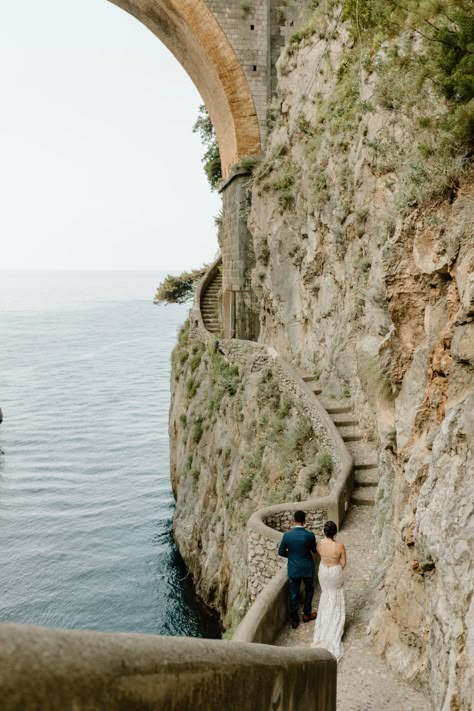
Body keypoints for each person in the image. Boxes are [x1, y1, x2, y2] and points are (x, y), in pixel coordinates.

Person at [311, 520, 346, 661]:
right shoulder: (340, 546)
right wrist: (336, 569)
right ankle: (335, 621)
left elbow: (318, 554)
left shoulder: (319, 544)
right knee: (336, 595)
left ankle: (324, 622)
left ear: (324, 532)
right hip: (335, 571)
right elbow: (343, 563)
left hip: (323, 571)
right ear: (335, 532)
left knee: (326, 595)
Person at [278, 510, 317, 629]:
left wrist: (292, 556)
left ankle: (294, 620)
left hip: (294, 569)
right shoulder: (310, 535)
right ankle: (306, 614)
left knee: (293, 594)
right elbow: (314, 550)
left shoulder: (287, 535)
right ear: (304, 521)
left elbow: (281, 552)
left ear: (293, 520)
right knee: (309, 590)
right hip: (307, 568)